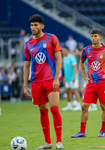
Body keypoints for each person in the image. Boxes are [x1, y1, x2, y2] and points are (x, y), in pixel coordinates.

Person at [22, 14, 64, 149]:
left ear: (42, 26)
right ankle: (48, 142)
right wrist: (25, 85)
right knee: (42, 111)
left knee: (55, 109)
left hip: (51, 80)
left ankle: (59, 141)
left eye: (36, 25)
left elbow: (59, 59)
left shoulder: (51, 38)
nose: (33, 27)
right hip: (36, 82)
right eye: (31, 25)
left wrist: (57, 78)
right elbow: (26, 65)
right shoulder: (28, 44)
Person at [71, 28, 105, 138]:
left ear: (100, 37)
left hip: (102, 83)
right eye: (92, 36)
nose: (93, 38)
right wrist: (84, 76)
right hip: (90, 83)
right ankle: (82, 132)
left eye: (95, 36)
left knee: (104, 107)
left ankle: (102, 131)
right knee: (84, 106)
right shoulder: (86, 50)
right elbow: (81, 63)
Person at [61, 46, 81, 111]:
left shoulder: (71, 58)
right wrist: (64, 78)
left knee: (75, 91)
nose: (63, 52)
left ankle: (78, 105)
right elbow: (65, 69)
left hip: (73, 78)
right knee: (68, 91)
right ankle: (69, 106)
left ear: (67, 50)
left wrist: (74, 77)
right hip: (67, 78)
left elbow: (75, 68)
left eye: (64, 50)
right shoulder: (64, 58)